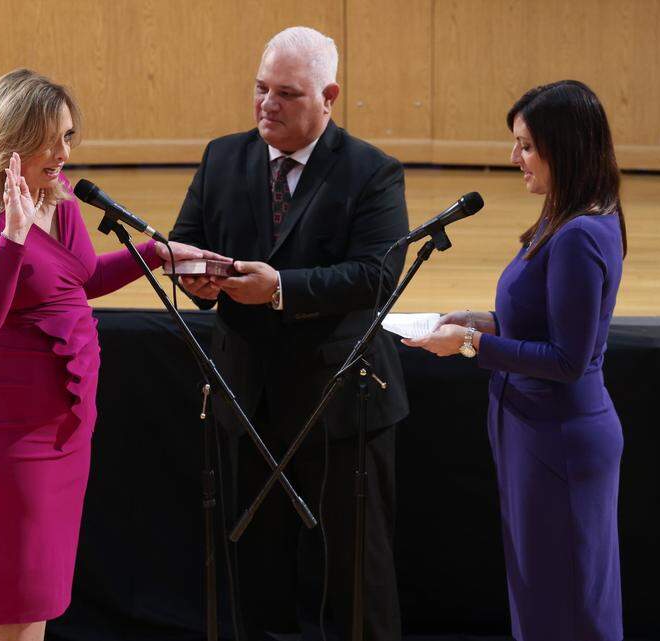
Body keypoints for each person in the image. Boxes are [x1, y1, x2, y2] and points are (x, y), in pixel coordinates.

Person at [0, 68, 209, 641]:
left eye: (69, 136)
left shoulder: (61, 204)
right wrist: (12, 235)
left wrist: (153, 253)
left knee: (34, 591)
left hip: (59, 423)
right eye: (50, 138)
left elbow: (75, 280)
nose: (63, 152)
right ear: (10, 138)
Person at [168, 26, 410, 641]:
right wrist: (195, 276)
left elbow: (376, 277)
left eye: (287, 93)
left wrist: (282, 288)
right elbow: (186, 241)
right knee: (255, 563)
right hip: (247, 392)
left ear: (328, 97)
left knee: (357, 572)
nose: (266, 105)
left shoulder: (373, 171)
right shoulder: (223, 156)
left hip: (339, 401)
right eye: (259, 88)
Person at [403, 80, 627, 641]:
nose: (514, 158)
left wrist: (473, 344)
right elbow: (547, 325)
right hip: (532, 432)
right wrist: (483, 322)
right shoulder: (567, 217)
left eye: (526, 146)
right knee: (542, 596)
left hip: (560, 442)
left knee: (567, 605)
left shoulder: (578, 235)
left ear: (564, 146)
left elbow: (568, 358)